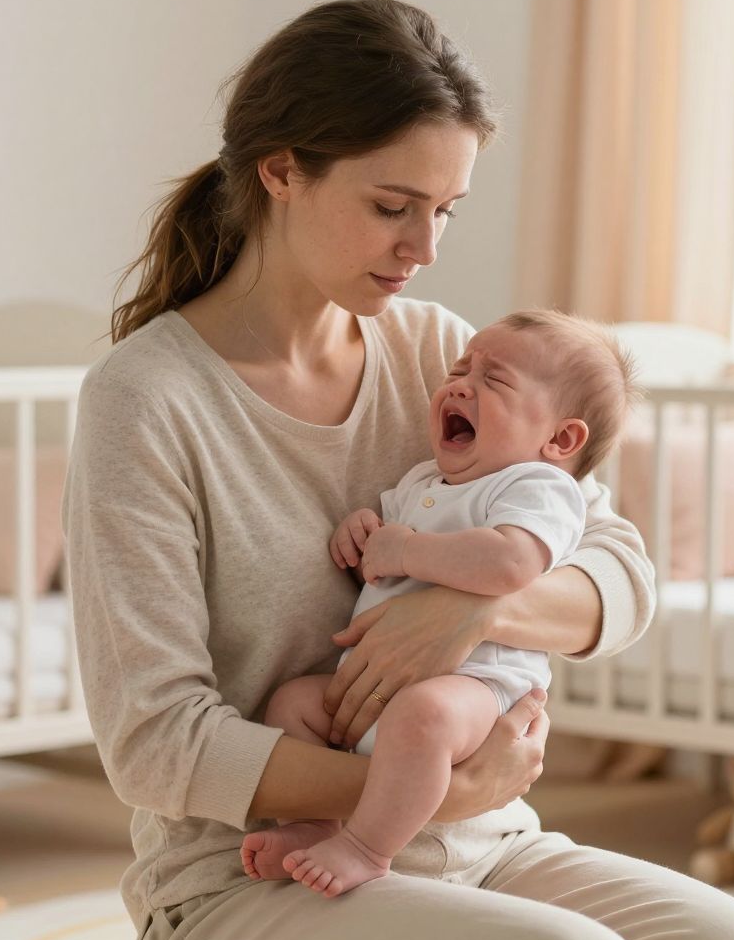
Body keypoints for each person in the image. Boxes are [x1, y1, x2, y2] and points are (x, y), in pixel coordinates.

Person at [65, 0, 734, 940]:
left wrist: (477, 607)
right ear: (282, 170)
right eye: (392, 207)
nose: (426, 247)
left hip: (483, 847)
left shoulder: (438, 353)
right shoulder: (147, 399)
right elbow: (154, 745)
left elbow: (621, 570)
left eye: (444, 210)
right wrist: (424, 788)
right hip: (242, 876)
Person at [243, 310, 629, 898]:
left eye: (494, 381)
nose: (459, 385)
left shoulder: (537, 487)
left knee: (423, 717)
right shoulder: (426, 480)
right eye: (459, 370)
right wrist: (363, 530)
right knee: (294, 703)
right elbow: (387, 549)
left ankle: (369, 847)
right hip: (367, 690)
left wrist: (407, 550)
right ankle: (311, 827)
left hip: (478, 689)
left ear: (561, 439)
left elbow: (509, 563)